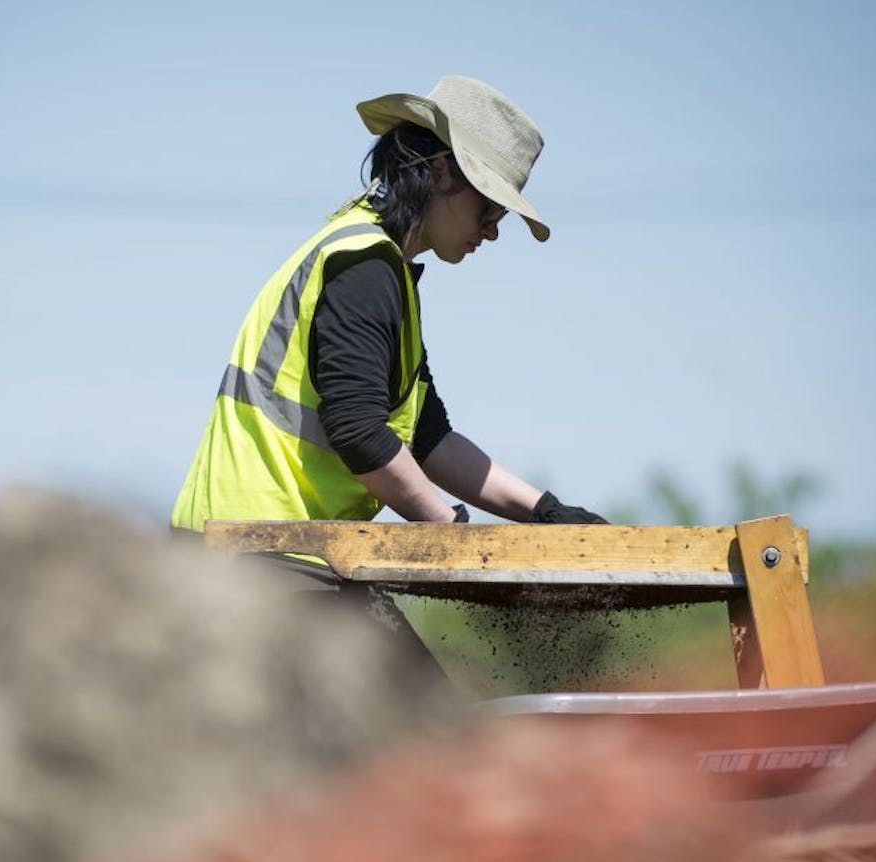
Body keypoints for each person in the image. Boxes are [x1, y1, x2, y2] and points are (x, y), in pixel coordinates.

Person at [172, 75, 606, 534]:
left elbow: (426, 438)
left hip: (274, 541)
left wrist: (546, 511)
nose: (494, 229)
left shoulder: (381, 265)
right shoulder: (365, 266)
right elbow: (358, 430)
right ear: (441, 171)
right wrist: (448, 529)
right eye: (491, 207)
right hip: (255, 547)